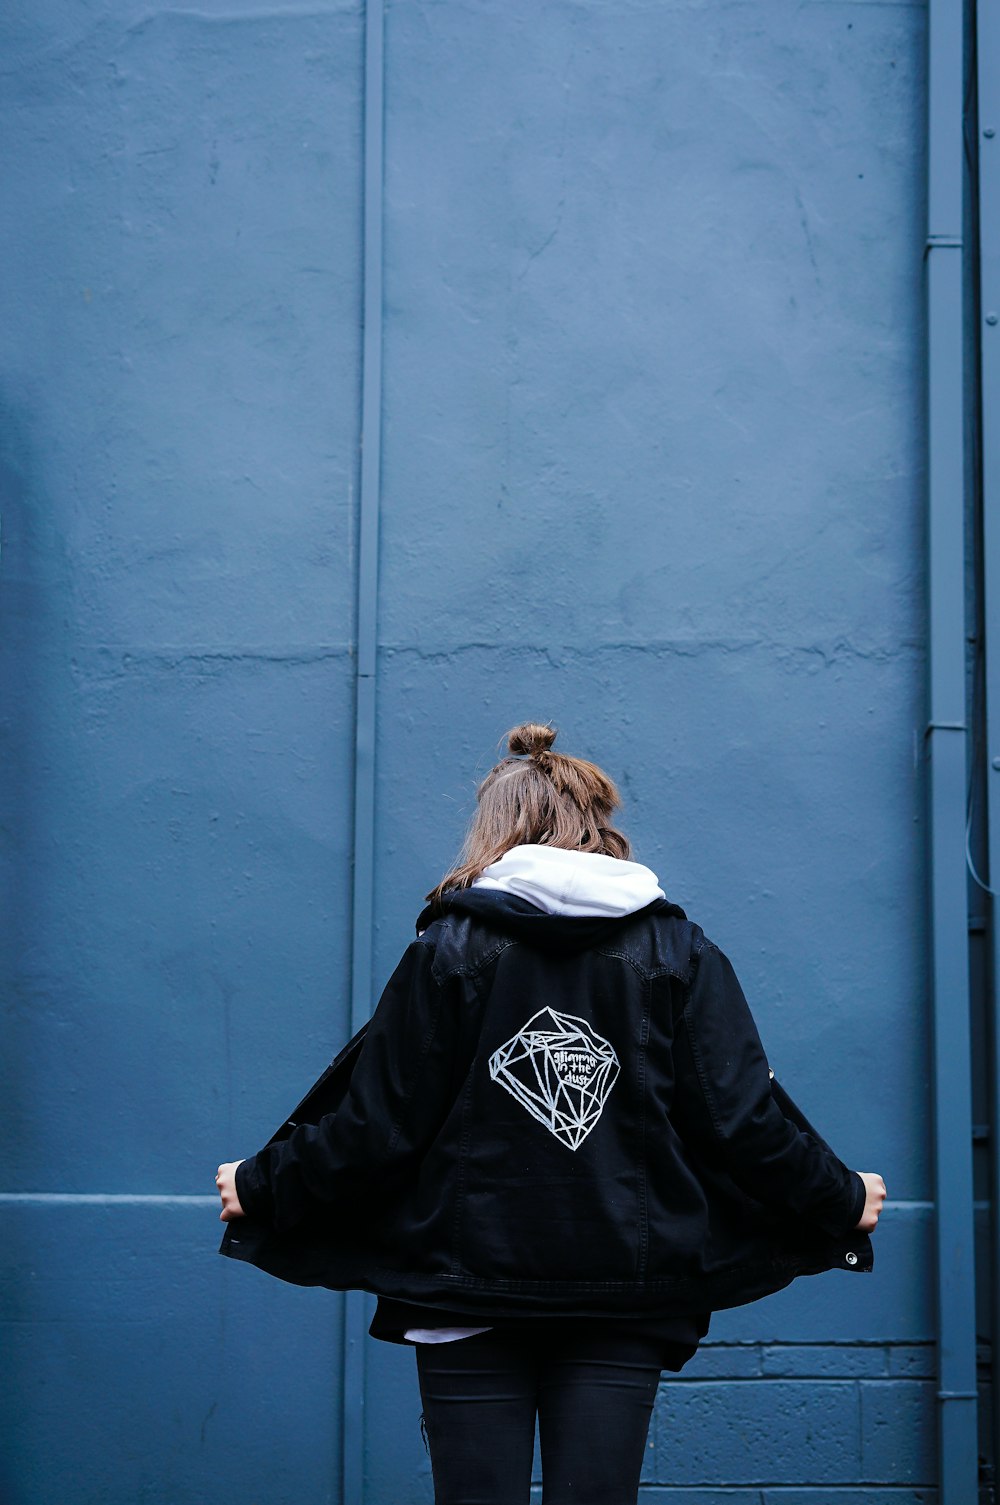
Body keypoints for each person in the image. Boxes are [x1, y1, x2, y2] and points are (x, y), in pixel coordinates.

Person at [216, 721, 886, 1505]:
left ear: (499, 830)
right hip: (624, 1290)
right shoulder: (678, 952)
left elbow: (378, 1124)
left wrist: (260, 1185)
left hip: (464, 1290)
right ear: (600, 823)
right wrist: (843, 1197)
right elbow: (741, 1119)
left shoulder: (450, 950)